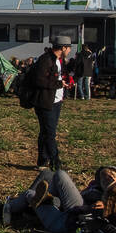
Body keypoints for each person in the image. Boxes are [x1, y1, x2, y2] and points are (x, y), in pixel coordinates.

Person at [27, 36, 70, 171]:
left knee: (46, 132)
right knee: (50, 133)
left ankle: (42, 161)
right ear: (63, 48)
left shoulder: (56, 60)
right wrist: (58, 83)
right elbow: (38, 80)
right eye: (69, 48)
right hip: (45, 101)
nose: (69, 50)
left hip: (55, 101)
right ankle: (56, 163)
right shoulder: (46, 59)